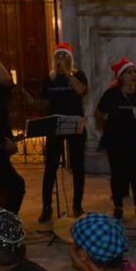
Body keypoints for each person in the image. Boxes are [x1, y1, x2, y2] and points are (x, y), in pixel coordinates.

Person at [39, 42, 88, 223]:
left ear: (70, 59)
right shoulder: (49, 79)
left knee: (78, 167)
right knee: (51, 167)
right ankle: (46, 207)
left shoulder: (78, 75)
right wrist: (33, 103)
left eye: (64, 56)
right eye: (58, 56)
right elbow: (44, 104)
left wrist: (67, 74)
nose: (61, 60)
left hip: (75, 125)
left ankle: (77, 204)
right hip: (55, 126)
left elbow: (81, 91)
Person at [95, 58, 136, 220]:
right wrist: (107, 128)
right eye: (129, 72)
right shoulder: (112, 94)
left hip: (135, 141)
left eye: (134, 72)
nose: (133, 75)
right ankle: (118, 207)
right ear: (121, 76)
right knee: (118, 174)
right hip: (116, 141)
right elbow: (98, 114)